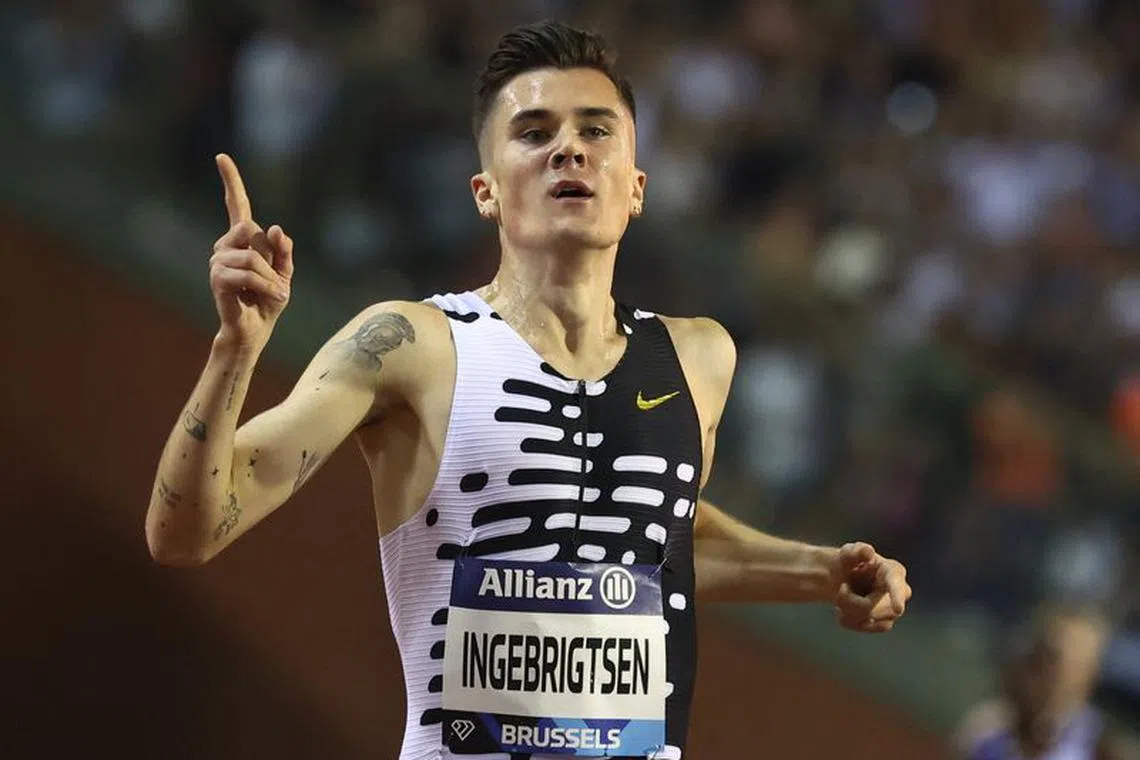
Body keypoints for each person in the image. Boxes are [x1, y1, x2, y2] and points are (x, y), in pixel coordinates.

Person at [145, 19, 911, 760]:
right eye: (534, 132)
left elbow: (657, 533)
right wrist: (233, 353)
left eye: (595, 130)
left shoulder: (697, 358)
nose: (568, 148)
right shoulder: (413, 347)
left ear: (637, 186)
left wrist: (821, 571)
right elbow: (184, 533)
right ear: (485, 191)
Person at [955, 603, 1139, 760]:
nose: (1048, 674)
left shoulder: (1103, 750)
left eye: (1061, 662)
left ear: (1090, 677)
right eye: (1039, 657)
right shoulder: (986, 734)